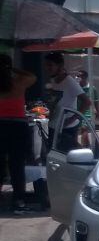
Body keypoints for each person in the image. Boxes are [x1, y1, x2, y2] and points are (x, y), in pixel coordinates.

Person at [1, 56, 37, 213]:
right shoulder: (19, 82)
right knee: (17, 165)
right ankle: (18, 200)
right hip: (17, 125)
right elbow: (33, 77)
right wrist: (13, 69)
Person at [43, 53, 89, 153]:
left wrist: (71, 119)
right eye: (46, 65)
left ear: (59, 65)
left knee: (66, 157)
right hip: (53, 125)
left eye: (50, 65)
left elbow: (87, 102)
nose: (47, 68)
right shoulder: (53, 80)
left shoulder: (70, 82)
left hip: (67, 128)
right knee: (53, 155)